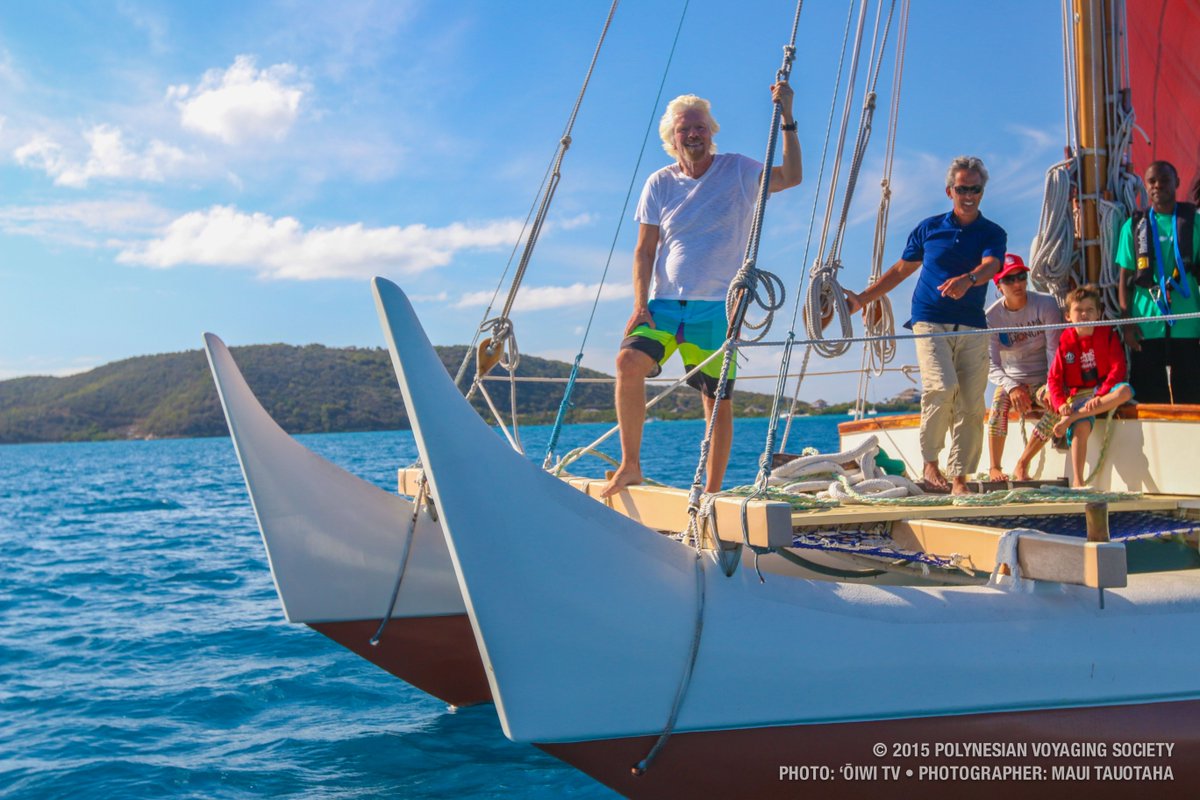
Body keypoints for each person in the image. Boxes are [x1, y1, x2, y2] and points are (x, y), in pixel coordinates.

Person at [600, 84, 803, 498]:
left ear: (711, 131)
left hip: (716, 309)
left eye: (699, 127)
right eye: (684, 129)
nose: (692, 134)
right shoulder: (659, 183)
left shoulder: (739, 170)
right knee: (627, 362)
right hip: (663, 305)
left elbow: (792, 177)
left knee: (716, 401)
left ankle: (711, 491)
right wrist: (639, 303)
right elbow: (644, 249)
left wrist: (787, 118)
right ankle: (631, 466)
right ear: (671, 138)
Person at [844, 156, 1006, 495]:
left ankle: (960, 478)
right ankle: (931, 463)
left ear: (982, 192)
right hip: (930, 319)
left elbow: (992, 264)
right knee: (942, 386)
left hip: (973, 325)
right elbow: (902, 270)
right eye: (962, 188)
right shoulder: (929, 228)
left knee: (972, 403)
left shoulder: (993, 233)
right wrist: (862, 298)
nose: (969, 195)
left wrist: (969, 279)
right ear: (950, 191)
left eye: (975, 189)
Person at [1116, 160, 1200, 404]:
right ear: (1145, 185)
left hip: (1188, 324)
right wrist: (1127, 324)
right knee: (1149, 398)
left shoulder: (1194, 223)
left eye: (1164, 180)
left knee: (1192, 396)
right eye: (1152, 181)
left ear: (1177, 183)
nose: (1158, 185)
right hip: (1146, 327)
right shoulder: (1133, 226)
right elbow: (1125, 279)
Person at [984, 253, 1063, 481]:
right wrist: (1012, 387)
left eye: (1021, 276)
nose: (1017, 284)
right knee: (999, 403)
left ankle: (1022, 463)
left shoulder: (1046, 304)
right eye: (1009, 279)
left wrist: (1051, 385)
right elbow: (991, 364)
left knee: (1056, 404)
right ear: (999, 286)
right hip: (1013, 380)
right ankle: (994, 467)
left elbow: (1054, 352)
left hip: (1042, 379)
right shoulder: (991, 318)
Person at [1047, 284, 1133, 488]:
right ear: (1068, 315)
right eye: (1079, 310)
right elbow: (1054, 379)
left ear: (1099, 313)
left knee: (1125, 391)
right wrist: (1060, 404)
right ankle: (1078, 481)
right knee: (1082, 427)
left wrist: (1100, 395)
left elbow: (1118, 368)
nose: (1084, 314)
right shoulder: (1065, 341)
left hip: (1103, 392)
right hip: (1079, 396)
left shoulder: (1107, 333)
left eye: (1090, 310)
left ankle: (1072, 418)